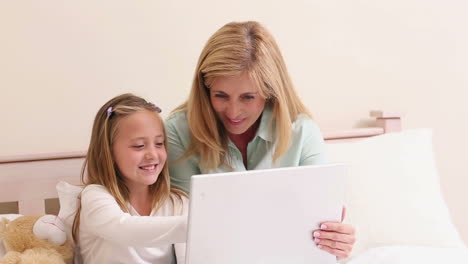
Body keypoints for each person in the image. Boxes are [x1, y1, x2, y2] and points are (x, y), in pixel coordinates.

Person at [166, 21, 355, 258]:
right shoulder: (178, 132)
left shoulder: (302, 131)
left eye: (247, 97)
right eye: (220, 96)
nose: (233, 112)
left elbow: (322, 231)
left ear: (270, 91)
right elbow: (184, 235)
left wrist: (337, 243)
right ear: (205, 89)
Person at [72, 93, 188, 263]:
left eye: (159, 143)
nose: (152, 154)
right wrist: (196, 225)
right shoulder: (95, 196)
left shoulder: (177, 202)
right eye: (139, 146)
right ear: (109, 152)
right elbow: (124, 229)